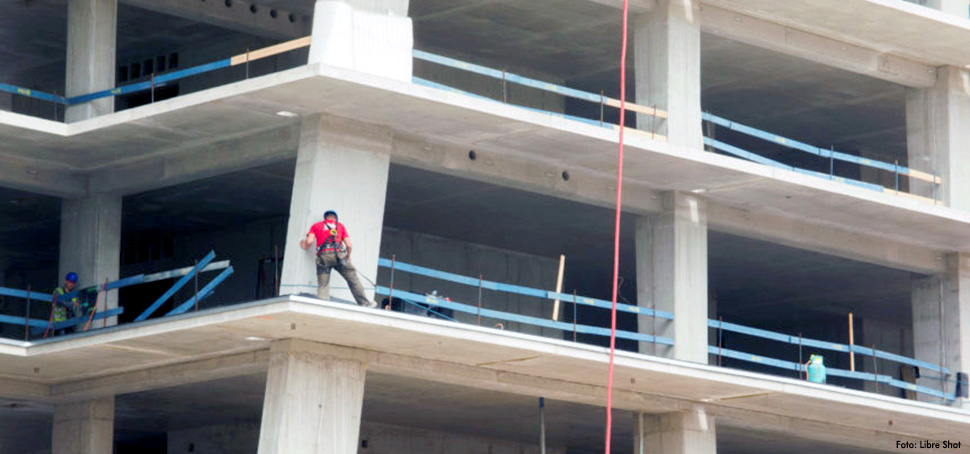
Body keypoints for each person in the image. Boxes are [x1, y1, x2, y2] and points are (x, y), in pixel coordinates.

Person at [299, 210, 377, 308]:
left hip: (324, 257)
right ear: (335, 218)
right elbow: (348, 245)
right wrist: (348, 256)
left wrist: (304, 245)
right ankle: (365, 304)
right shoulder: (340, 226)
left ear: (325, 218)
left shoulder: (316, 226)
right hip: (339, 256)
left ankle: (323, 306)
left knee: (323, 284)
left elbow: (309, 241)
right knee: (353, 279)